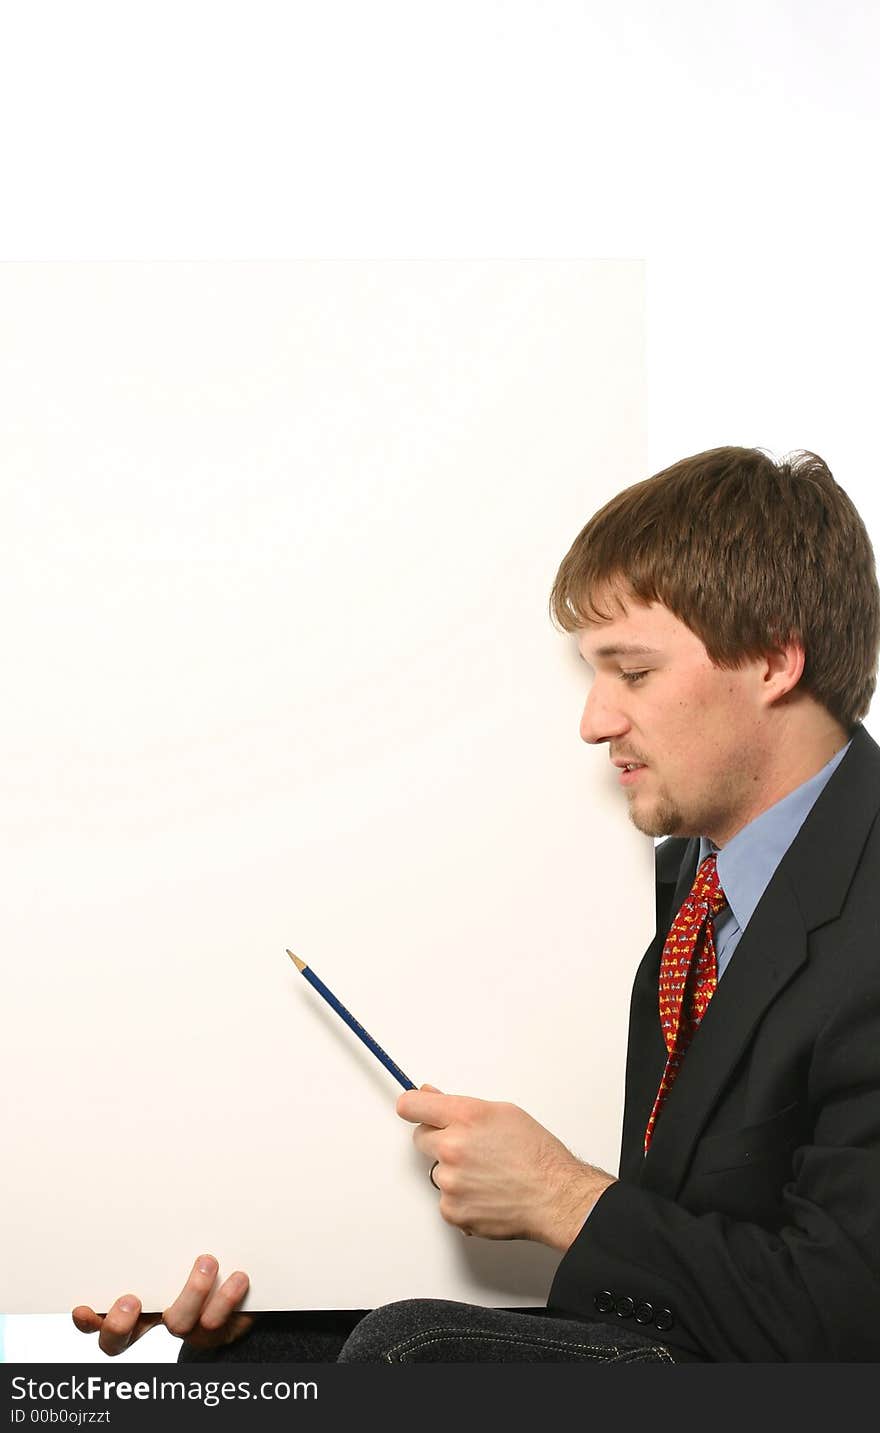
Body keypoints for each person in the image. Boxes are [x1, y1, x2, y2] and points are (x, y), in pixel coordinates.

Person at [73, 445, 880, 1362]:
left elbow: (848, 1315)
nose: (593, 720)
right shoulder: (660, 900)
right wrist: (282, 1283)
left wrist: (560, 1198)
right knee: (253, 1362)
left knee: (411, 1355)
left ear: (775, 657)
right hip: (659, 1342)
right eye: (590, 674)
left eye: (634, 672)